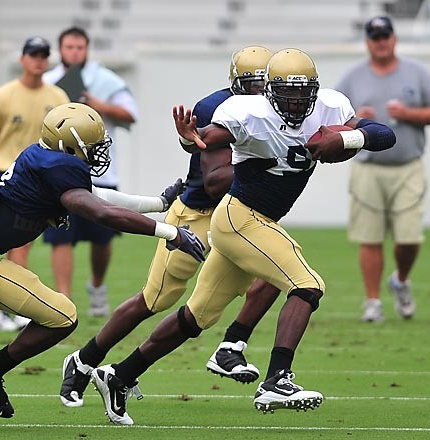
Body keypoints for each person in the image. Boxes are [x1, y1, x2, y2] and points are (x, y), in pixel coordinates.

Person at [88, 48, 396, 425]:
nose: (297, 102)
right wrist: (191, 137)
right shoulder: (249, 112)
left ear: (316, 91)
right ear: (270, 91)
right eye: (288, 93)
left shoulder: (330, 107)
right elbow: (209, 138)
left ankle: (118, 375)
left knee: (194, 318)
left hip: (256, 220)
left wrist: (347, 140)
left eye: (304, 93)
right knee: (308, 285)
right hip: (239, 218)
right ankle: (277, 379)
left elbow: (384, 134)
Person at [0, 103, 204, 429]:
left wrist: (158, 204)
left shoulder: (46, 158)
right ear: (69, 146)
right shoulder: (60, 168)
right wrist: (170, 232)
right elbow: (100, 213)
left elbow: (96, 196)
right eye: (91, 147)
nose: (98, 153)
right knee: (63, 317)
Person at [58, 46, 280, 408]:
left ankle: (231, 345)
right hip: (198, 214)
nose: (261, 93)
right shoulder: (217, 109)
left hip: (240, 212)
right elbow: (214, 182)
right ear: (238, 84)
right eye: (253, 84)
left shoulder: (278, 109)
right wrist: (276, 161)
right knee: (154, 300)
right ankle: (84, 360)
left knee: (279, 271)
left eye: (265, 85)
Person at [335, 16, 430, 323]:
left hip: (408, 165)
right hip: (368, 167)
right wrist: (356, 118)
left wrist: (408, 113)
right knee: (369, 237)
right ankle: (372, 302)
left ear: (394, 38)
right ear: (368, 42)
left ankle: (400, 280)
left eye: (385, 35)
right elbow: (327, 119)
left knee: (409, 238)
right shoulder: (353, 77)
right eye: (375, 37)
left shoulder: (417, 72)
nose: (381, 41)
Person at [0, 36, 70, 331]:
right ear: (23, 59)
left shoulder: (58, 97)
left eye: (43, 55)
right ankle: (0, 307)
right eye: (33, 54)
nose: (39, 59)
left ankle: (11, 304)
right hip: (3, 175)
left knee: (22, 242)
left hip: (39, 180)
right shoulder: (2, 96)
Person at [43, 27, 139, 316]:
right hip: (57, 173)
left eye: (80, 47)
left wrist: (96, 105)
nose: (74, 52)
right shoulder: (48, 82)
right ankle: (64, 300)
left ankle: (97, 286)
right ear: (60, 49)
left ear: (87, 49)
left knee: (102, 238)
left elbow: (130, 113)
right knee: (60, 237)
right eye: (69, 47)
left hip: (99, 174)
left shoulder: (105, 79)